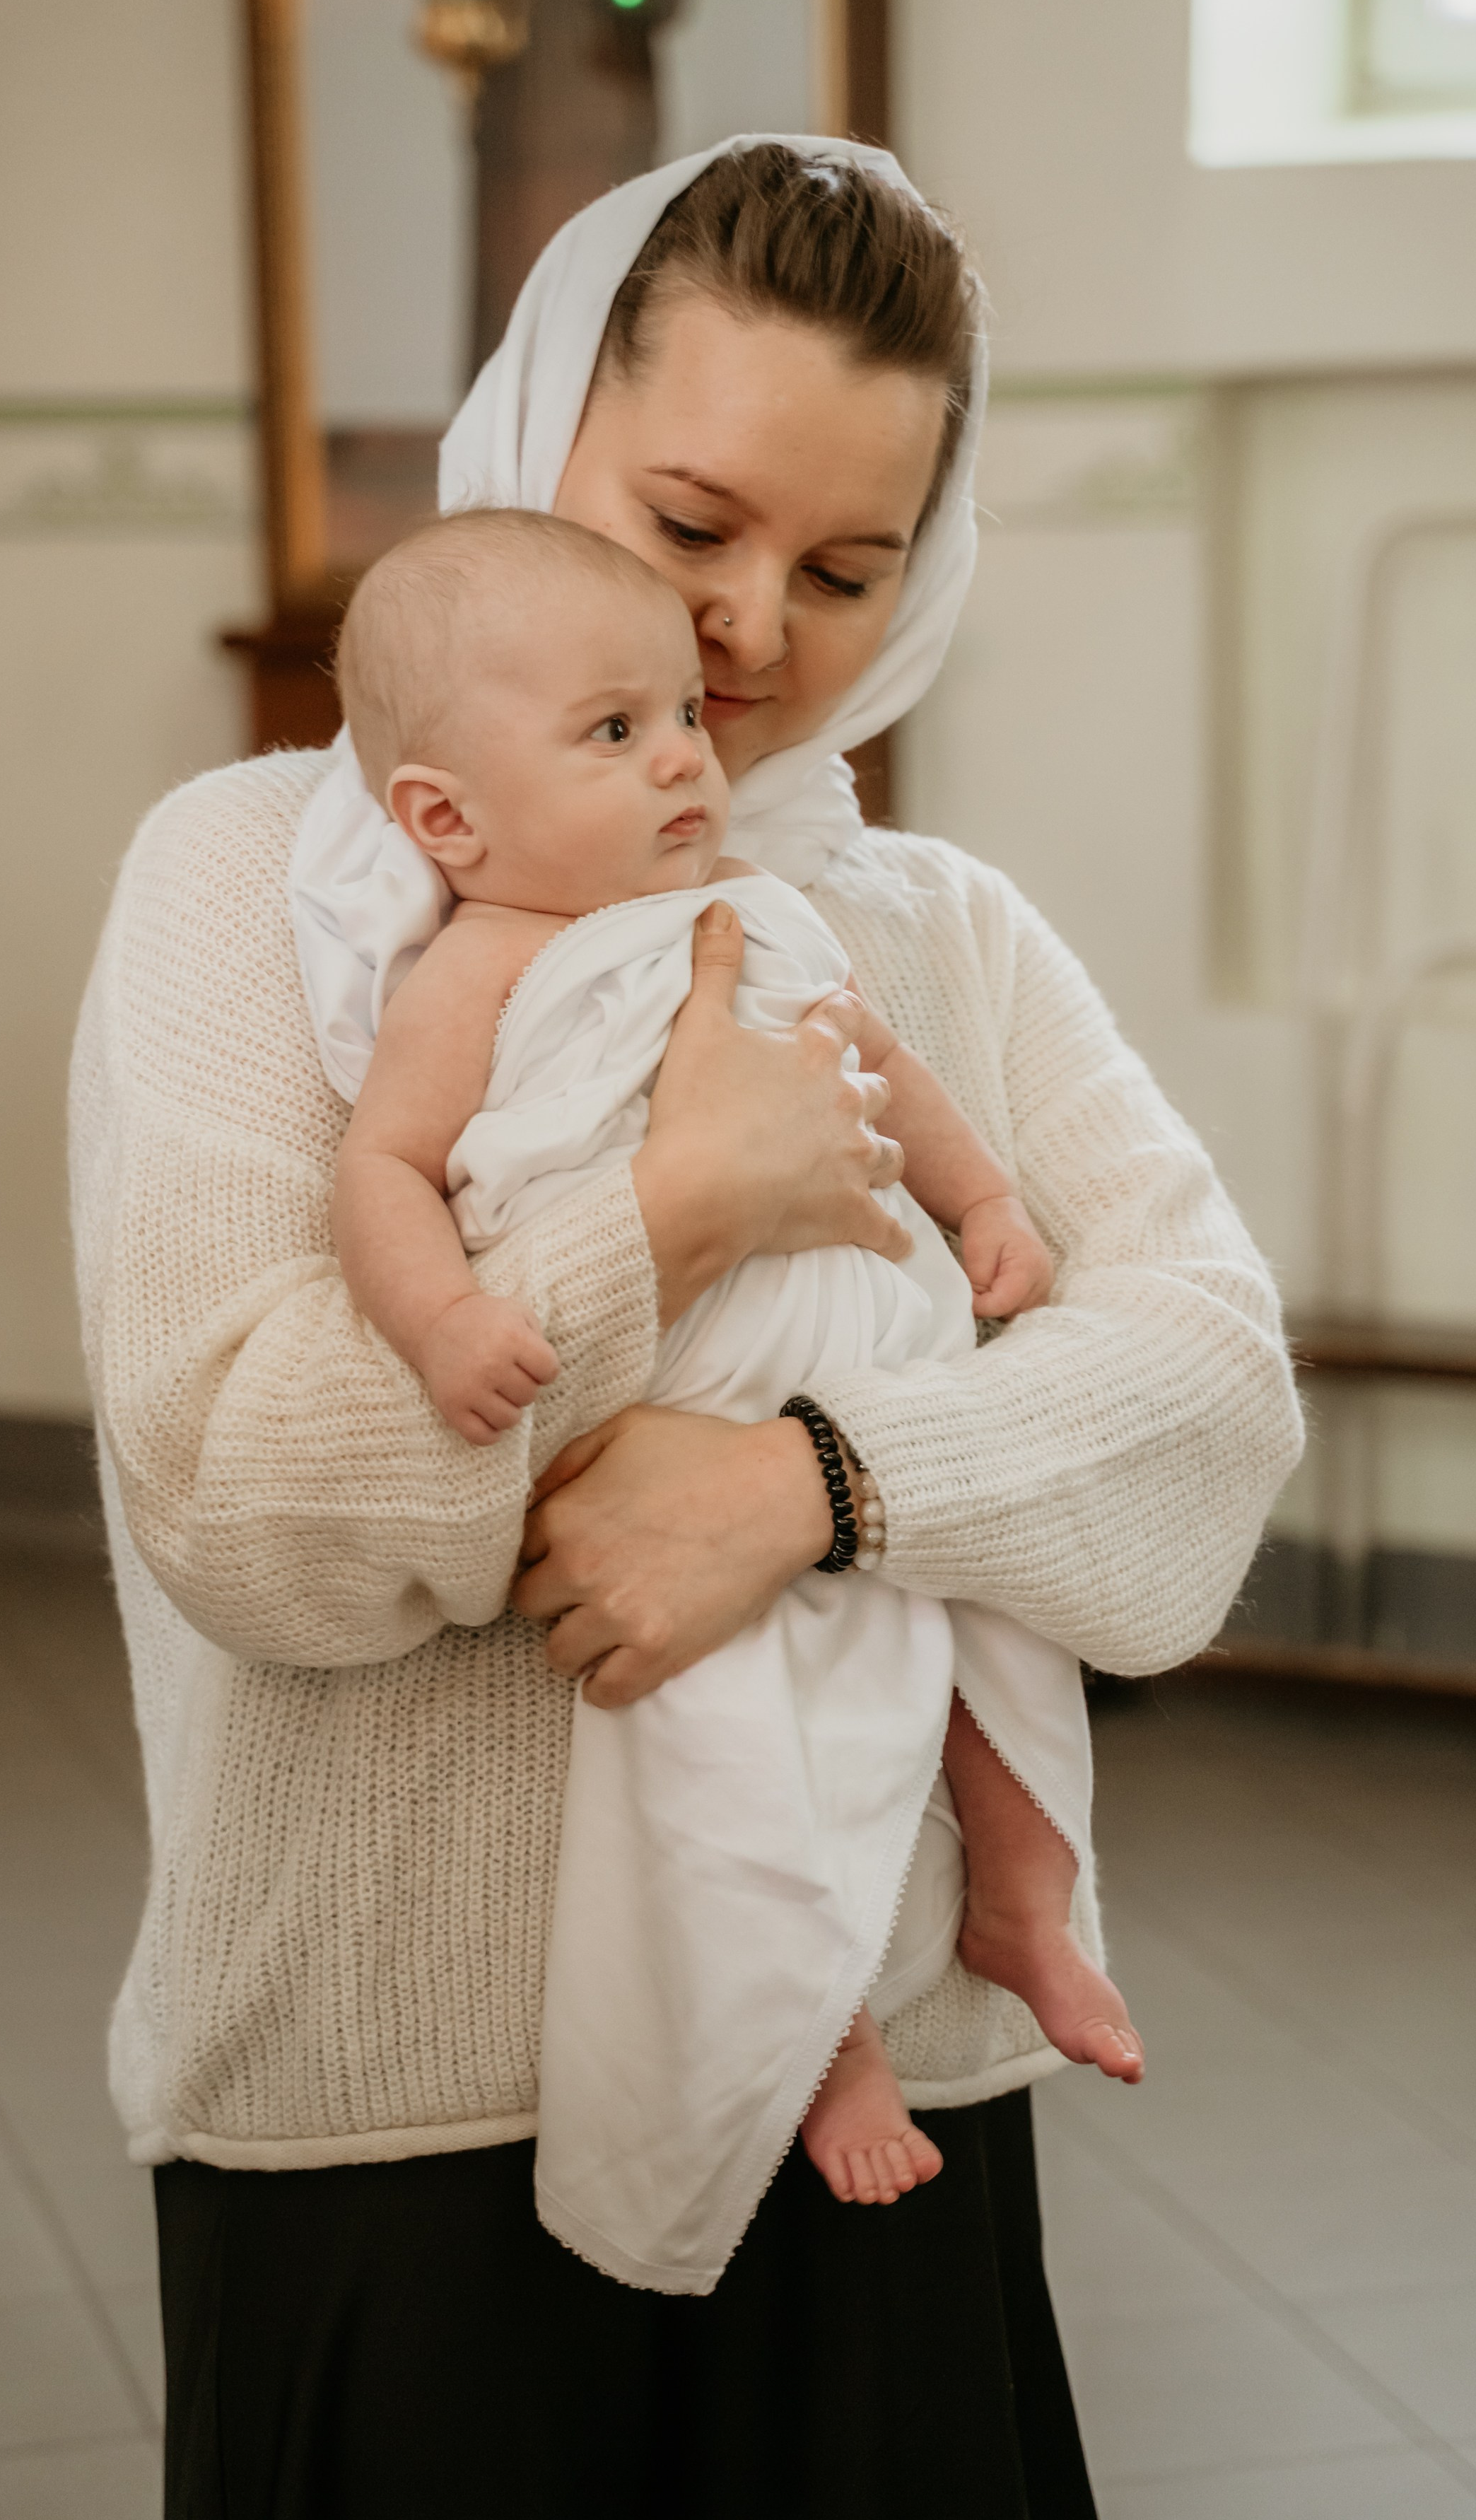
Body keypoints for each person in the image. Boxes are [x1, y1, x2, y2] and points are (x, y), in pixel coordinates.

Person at [72, 136, 1301, 2516]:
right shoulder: (248, 885)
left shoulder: (928, 926)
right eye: (691, 520)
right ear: (541, 433)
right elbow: (241, 1492)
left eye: (848, 569)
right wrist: (668, 1216)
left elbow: (1207, 1391)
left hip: (886, 2102)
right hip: (391, 2115)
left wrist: (814, 1490)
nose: (751, 627)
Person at [326, 505, 1140, 2280]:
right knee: (722, 1734)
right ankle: (822, 2039)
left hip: (873, 1374)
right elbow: (380, 1176)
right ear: (448, 819)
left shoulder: (748, 908)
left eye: (680, 716)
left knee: (994, 1637)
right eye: (612, 734)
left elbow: (883, 1067)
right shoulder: (471, 966)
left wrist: (985, 1201)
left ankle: (1020, 1900)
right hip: (675, 1420)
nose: (683, 758)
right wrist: (445, 1325)